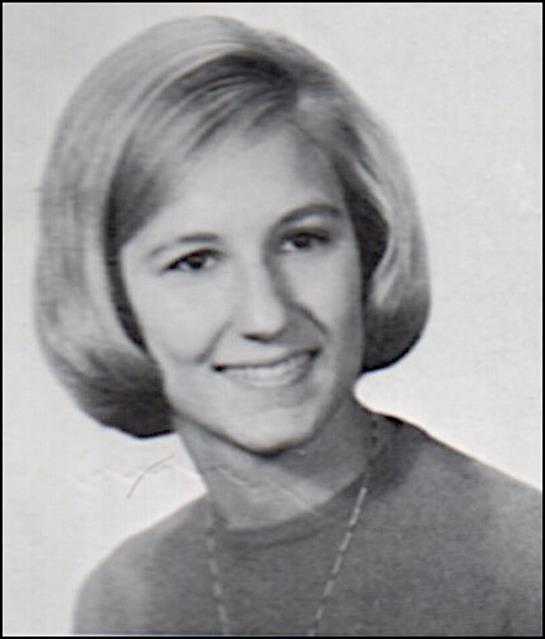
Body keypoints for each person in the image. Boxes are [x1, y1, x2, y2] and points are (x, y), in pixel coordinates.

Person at [35, 16, 541, 637]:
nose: (267, 315)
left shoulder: (521, 565)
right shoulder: (125, 602)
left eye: (302, 241)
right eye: (195, 261)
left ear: (368, 249)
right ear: (110, 296)